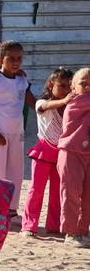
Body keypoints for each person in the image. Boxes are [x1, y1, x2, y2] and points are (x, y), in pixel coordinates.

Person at [0, 40, 35, 214]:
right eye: (11, 58)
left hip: (17, 133)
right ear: (0, 58)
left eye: (19, 58)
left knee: (16, 171)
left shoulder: (22, 81)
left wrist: (51, 105)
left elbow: (33, 103)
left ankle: (11, 209)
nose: (16, 62)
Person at [22, 68, 73, 238]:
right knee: (36, 190)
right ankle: (29, 225)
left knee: (58, 191)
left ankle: (54, 224)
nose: (66, 90)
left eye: (69, 87)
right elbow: (45, 106)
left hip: (61, 154)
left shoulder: (68, 108)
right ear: (51, 85)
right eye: (62, 86)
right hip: (43, 152)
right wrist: (65, 100)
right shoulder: (41, 103)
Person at [57, 68, 90, 247]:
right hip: (71, 153)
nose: (87, 87)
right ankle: (71, 231)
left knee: (87, 195)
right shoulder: (77, 101)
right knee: (71, 194)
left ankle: (83, 230)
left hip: (87, 153)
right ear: (73, 87)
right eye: (83, 83)